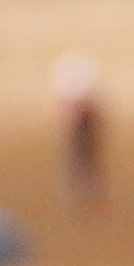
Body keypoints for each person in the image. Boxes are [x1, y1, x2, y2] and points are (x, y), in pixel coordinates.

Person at [51, 51, 109, 213]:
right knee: (73, 160)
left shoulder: (76, 72)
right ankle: (76, 195)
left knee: (89, 160)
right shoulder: (68, 72)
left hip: (86, 122)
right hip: (73, 123)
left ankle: (91, 194)